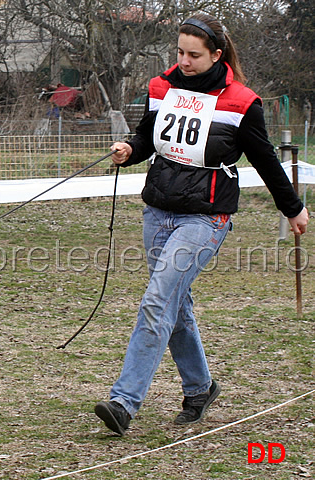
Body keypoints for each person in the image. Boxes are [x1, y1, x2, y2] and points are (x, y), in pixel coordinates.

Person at [94, 13, 309, 436]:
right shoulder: (161, 87)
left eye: (194, 55)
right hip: (158, 210)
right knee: (176, 305)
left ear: (216, 54)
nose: (185, 61)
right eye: (180, 52)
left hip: (207, 217)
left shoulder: (242, 101)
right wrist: (128, 149)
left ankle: (124, 401)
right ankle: (200, 388)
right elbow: (147, 137)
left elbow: (265, 159)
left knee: (158, 300)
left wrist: (292, 207)